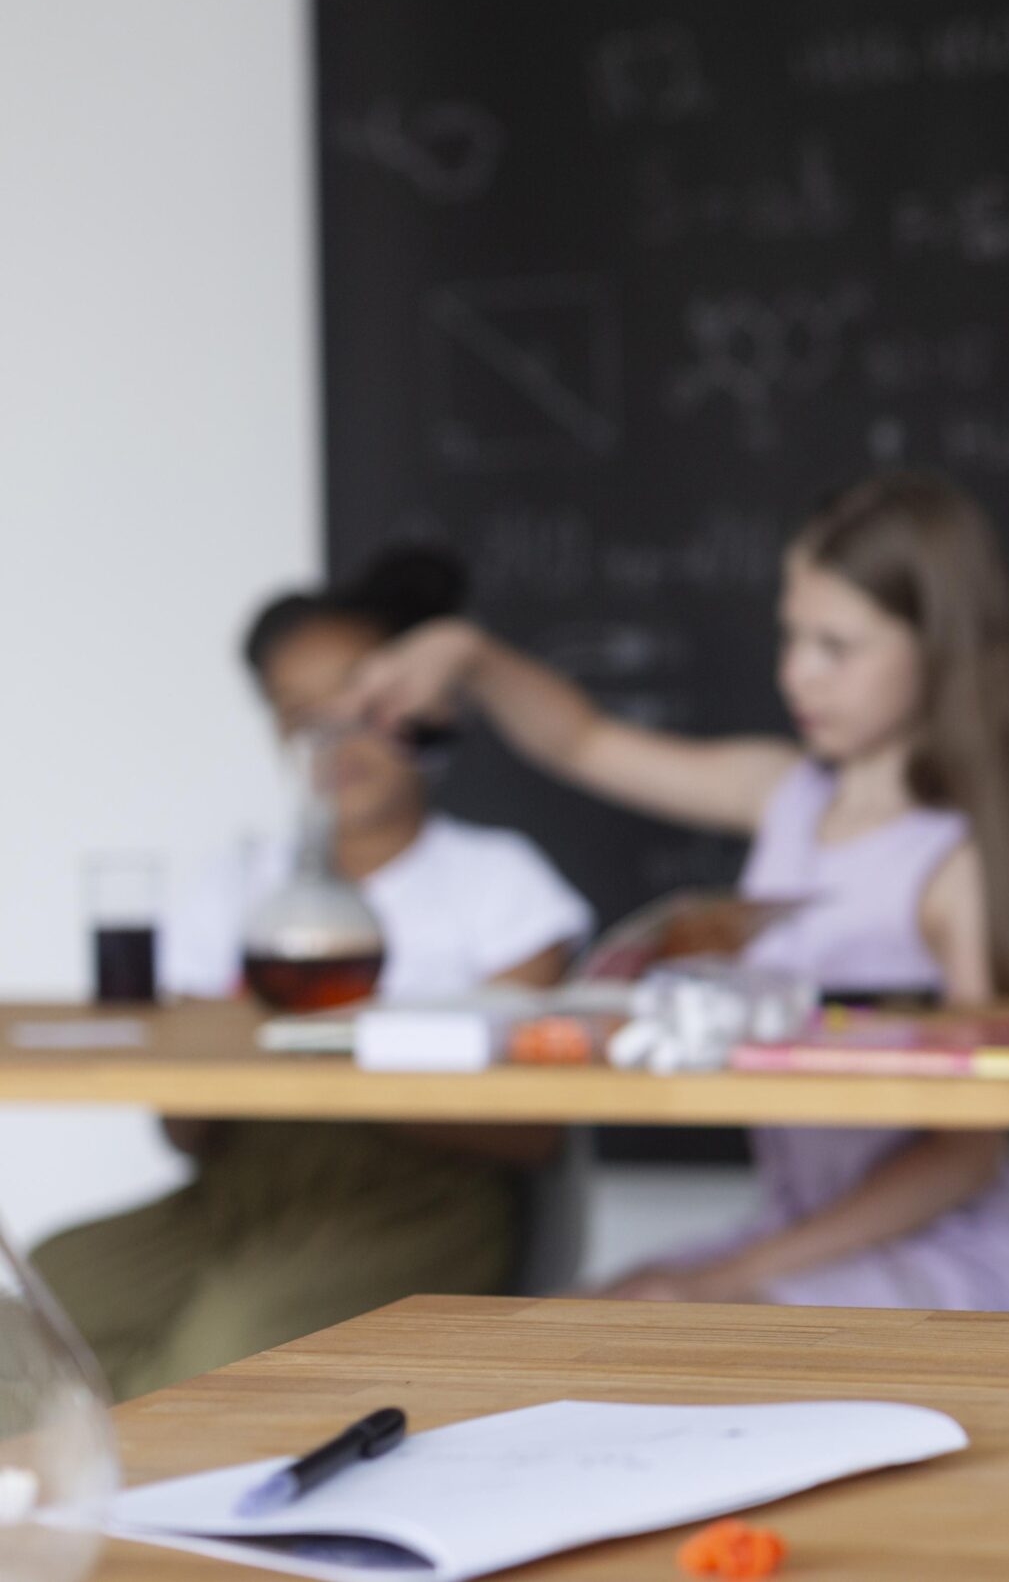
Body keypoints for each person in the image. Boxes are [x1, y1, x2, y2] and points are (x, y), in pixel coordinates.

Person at [342, 472, 1009, 1309]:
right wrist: (470, 656)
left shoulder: (952, 865)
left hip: (933, 1246)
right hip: (796, 1231)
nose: (797, 673)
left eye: (836, 646)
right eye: (791, 636)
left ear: (937, 647)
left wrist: (725, 1278)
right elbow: (584, 741)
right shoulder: (785, 794)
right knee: (575, 1322)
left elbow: (967, 1155)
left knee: (648, 1317)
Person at [34, 548, 592, 1399]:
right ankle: (105, 1455)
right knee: (43, 1302)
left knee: (223, 1352)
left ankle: (143, 1454)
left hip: (416, 1201)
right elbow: (186, 1128)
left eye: (357, 699)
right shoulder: (239, 882)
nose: (333, 736)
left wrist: (306, 1046)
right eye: (298, 713)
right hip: (239, 1194)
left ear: (419, 703)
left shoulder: (500, 883)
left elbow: (532, 1129)